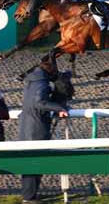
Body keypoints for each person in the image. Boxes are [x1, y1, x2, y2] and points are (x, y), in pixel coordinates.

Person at [18, 60, 69, 204]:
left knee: (30, 163)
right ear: (50, 72)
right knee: (34, 162)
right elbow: (40, 103)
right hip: (35, 129)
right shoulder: (42, 84)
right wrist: (60, 108)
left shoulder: (32, 81)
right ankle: (29, 197)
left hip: (27, 126)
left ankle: (30, 195)